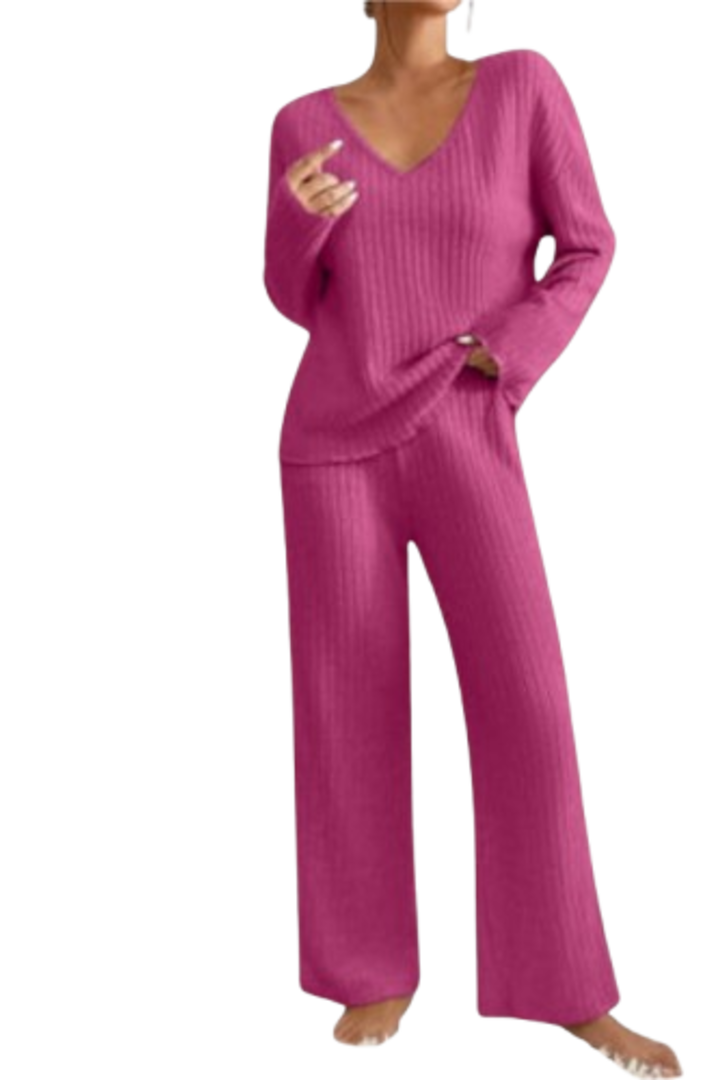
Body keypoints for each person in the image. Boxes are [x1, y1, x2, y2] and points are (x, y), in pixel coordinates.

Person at [262, 3, 678, 1075]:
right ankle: (368, 972)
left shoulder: (524, 84)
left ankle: (565, 989)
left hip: (467, 421)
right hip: (330, 443)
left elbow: (590, 244)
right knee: (344, 704)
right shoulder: (302, 120)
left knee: (528, 701)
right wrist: (297, 220)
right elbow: (290, 298)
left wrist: (510, 347)